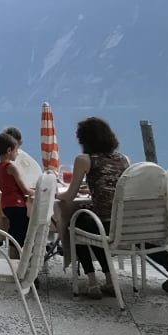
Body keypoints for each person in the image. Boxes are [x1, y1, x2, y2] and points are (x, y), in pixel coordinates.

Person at [57, 117, 133, 298]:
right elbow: (115, 187)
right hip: (121, 223)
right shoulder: (124, 159)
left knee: (76, 225)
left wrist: (56, 194)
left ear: (84, 139)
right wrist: (91, 188)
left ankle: (92, 283)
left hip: (103, 223)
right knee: (90, 224)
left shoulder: (84, 159)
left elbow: (69, 196)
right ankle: (110, 281)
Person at [0, 132, 34, 249]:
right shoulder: (11, 167)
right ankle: (17, 257)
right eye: (16, 151)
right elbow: (25, 190)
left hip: (6, 205)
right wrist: (40, 192)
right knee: (21, 234)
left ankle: (14, 256)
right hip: (17, 205)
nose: (18, 153)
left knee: (14, 232)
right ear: (9, 150)